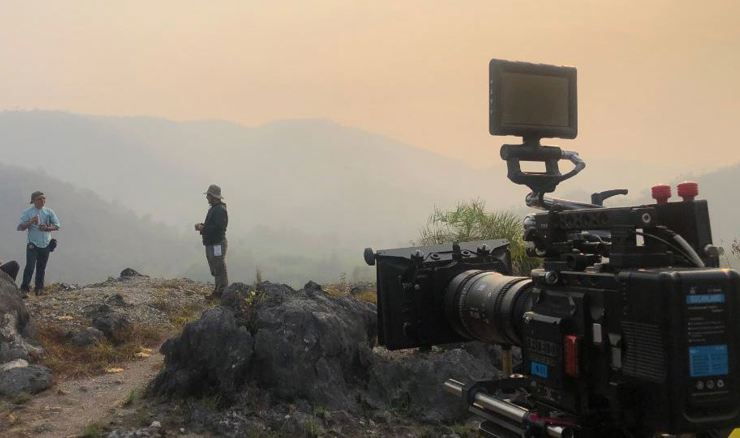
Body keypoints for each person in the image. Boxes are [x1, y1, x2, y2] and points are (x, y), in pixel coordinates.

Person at [17, 191, 61, 294]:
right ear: (33, 201)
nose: (42, 201)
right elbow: (20, 227)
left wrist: (47, 228)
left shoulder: (49, 212)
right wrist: (30, 222)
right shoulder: (28, 212)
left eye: (44, 198)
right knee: (30, 266)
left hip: (46, 243)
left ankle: (39, 288)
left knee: (41, 267)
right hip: (33, 244)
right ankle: (24, 289)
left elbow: (57, 226)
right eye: (39, 199)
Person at [195, 184, 228, 298]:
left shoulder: (220, 210)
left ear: (213, 196)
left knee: (219, 267)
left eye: (208, 195)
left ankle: (221, 292)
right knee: (215, 267)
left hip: (217, 243)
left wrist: (202, 228)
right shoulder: (215, 208)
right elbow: (213, 225)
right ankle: (218, 290)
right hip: (212, 243)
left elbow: (219, 228)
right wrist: (202, 226)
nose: (207, 197)